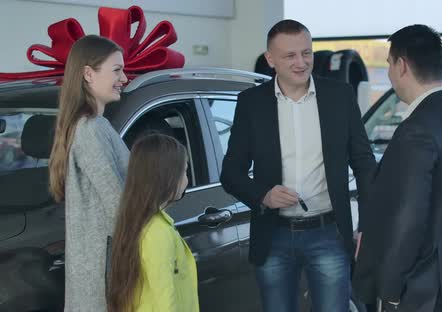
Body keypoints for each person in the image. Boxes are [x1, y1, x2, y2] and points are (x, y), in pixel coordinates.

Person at [220, 19, 376, 312]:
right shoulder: (251, 102)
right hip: (273, 234)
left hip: (329, 232)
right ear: (270, 59)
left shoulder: (340, 96)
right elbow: (231, 172)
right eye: (290, 55)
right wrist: (262, 195)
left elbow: (365, 163)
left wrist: (367, 225)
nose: (301, 62)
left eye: (307, 53)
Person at [353, 25, 442, 312]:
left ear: (402, 66)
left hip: (422, 294)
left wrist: (388, 293)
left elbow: (406, 221)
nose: (389, 73)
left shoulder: (417, 131)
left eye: (389, 64)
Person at [48, 35, 129, 311]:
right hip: (103, 274)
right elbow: (119, 206)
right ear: (87, 74)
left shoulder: (84, 126)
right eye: (117, 70)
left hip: (95, 270)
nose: (125, 78)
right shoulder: (92, 129)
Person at [107, 133, 199, 312]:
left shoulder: (137, 223)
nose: (187, 179)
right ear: (168, 176)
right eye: (185, 170)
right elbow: (166, 298)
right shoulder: (158, 232)